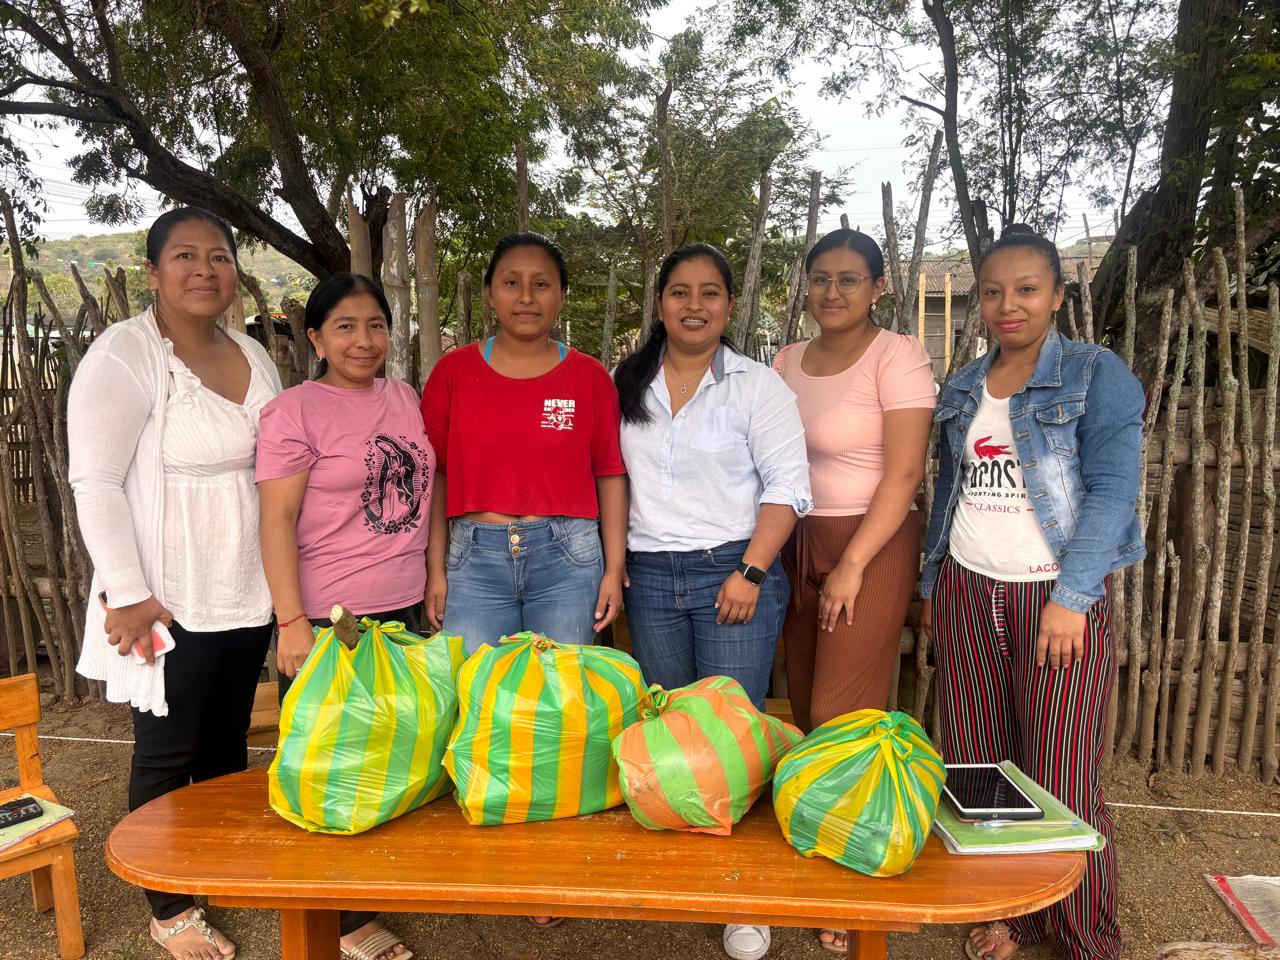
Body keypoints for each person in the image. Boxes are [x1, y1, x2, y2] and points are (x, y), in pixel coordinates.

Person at [920, 224, 1144, 960]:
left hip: (1051, 598)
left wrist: (1073, 599)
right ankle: (1011, 914)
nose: (1007, 305)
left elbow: (1112, 492)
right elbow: (951, 492)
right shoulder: (964, 386)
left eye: (1026, 289)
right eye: (993, 292)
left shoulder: (1095, 375)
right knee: (979, 765)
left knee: (1062, 774)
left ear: (1056, 294)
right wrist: (936, 583)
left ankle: (1087, 936)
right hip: (967, 587)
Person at [70, 208, 282, 960]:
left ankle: (213, 861)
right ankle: (169, 906)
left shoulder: (253, 353)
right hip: (165, 593)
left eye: (219, 256)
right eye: (185, 256)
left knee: (226, 740)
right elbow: (94, 481)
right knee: (167, 746)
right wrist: (127, 592)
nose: (204, 270)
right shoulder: (124, 355)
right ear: (153, 272)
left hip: (245, 587)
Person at [420, 233, 626, 929]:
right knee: (475, 701)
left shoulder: (589, 377)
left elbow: (609, 473)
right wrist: (436, 567)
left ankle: (550, 866)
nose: (527, 296)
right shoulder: (453, 373)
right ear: (489, 293)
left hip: (567, 555)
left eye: (542, 283)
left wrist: (614, 566)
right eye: (511, 282)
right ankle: (484, 854)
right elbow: (435, 475)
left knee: (558, 709)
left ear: (562, 294)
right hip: (473, 555)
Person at [613, 242, 811, 960]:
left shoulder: (758, 387)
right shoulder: (627, 382)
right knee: (674, 730)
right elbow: (611, 478)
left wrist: (751, 572)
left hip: (734, 572)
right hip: (651, 577)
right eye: (679, 292)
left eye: (709, 293)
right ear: (660, 303)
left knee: (735, 734)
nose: (694, 305)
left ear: (730, 305)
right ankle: (691, 871)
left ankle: (743, 899)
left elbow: (788, 486)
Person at [257, 273, 432, 960]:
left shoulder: (405, 397)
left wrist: (435, 578)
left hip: (404, 607)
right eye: (346, 327)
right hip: (335, 616)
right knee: (333, 764)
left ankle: (372, 883)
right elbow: (276, 519)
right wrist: (291, 621)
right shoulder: (295, 411)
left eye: (376, 325)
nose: (365, 340)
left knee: (392, 748)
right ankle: (340, 916)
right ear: (316, 338)